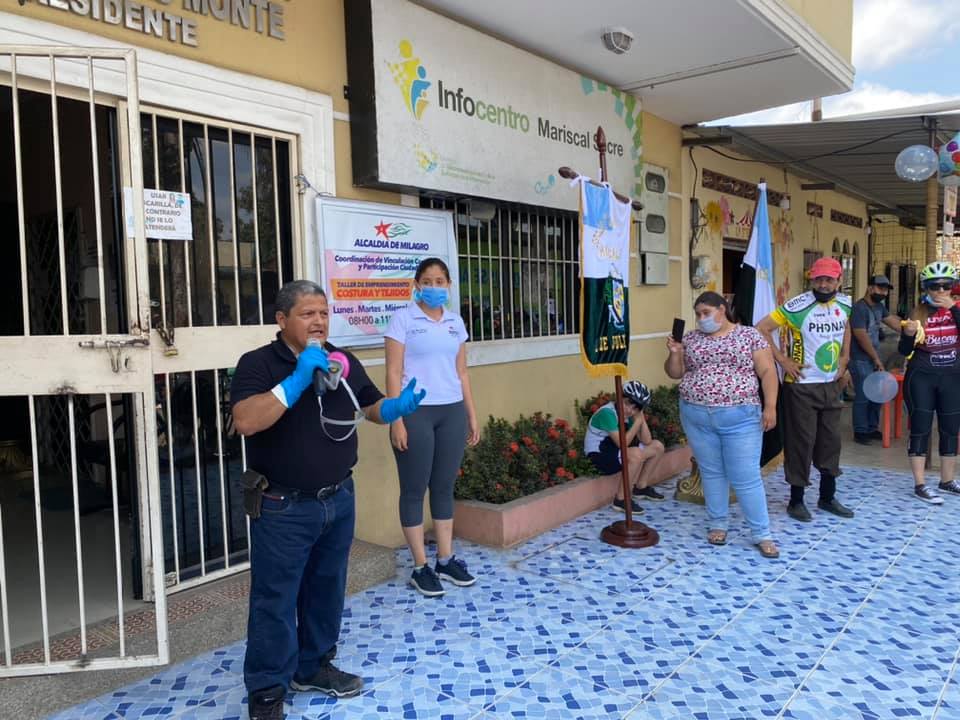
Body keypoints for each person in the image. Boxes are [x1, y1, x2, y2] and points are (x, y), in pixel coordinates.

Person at [231, 280, 425, 720]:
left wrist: (395, 408)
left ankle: (312, 666)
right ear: (282, 320)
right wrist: (298, 379)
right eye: (307, 314)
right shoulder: (259, 363)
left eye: (323, 313)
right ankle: (267, 691)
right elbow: (245, 421)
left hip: (337, 499)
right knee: (275, 601)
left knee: (326, 591)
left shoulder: (340, 358)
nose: (319, 321)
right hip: (283, 505)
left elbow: (370, 404)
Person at [385, 258, 480, 597]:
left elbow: (462, 372)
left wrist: (471, 414)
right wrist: (396, 419)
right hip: (414, 412)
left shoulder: (455, 322)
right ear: (417, 285)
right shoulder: (403, 319)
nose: (434, 287)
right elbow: (393, 372)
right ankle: (420, 566)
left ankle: (445, 559)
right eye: (427, 281)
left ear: (449, 285)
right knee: (414, 489)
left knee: (443, 487)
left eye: (440, 281)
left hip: (451, 410)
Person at [665, 292, 780, 558]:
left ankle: (762, 533)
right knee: (711, 472)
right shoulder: (690, 338)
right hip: (696, 415)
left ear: (722, 309)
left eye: (706, 313)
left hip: (740, 417)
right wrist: (675, 353)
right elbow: (675, 373)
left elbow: (767, 371)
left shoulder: (749, 335)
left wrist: (771, 406)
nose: (701, 319)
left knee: (745, 475)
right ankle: (718, 523)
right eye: (698, 314)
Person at [757, 257, 854, 522]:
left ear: (839, 281)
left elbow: (846, 326)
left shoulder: (846, 303)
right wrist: (783, 360)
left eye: (829, 279)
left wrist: (845, 358)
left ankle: (827, 497)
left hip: (831, 384)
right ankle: (796, 501)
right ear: (812, 280)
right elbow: (762, 328)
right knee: (801, 443)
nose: (823, 284)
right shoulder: (796, 306)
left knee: (831, 442)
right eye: (818, 279)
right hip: (801, 386)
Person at [899, 261, 960, 504]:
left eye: (946, 286)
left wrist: (953, 308)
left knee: (950, 429)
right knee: (921, 428)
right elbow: (904, 351)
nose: (941, 291)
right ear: (926, 288)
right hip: (921, 377)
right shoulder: (917, 313)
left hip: (952, 378)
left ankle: (947, 481)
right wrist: (908, 335)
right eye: (935, 286)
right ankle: (920, 484)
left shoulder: (957, 309)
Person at [583, 381, 667, 514]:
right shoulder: (607, 413)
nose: (629, 410)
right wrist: (637, 422)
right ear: (619, 397)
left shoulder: (630, 414)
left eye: (635, 408)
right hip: (598, 456)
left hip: (614, 452)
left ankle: (641, 487)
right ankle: (621, 500)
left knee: (657, 446)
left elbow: (647, 440)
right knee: (635, 454)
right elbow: (622, 443)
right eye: (627, 403)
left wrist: (641, 418)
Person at [849, 275, 901, 444]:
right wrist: (876, 358)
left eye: (885, 290)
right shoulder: (859, 308)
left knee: (877, 394)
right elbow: (861, 336)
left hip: (873, 358)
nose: (883, 292)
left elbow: (893, 322)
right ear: (870, 288)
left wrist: (912, 329)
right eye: (880, 288)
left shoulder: (879, 307)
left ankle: (872, 428)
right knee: (863, 395)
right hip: (859, 359)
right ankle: (860, 431)